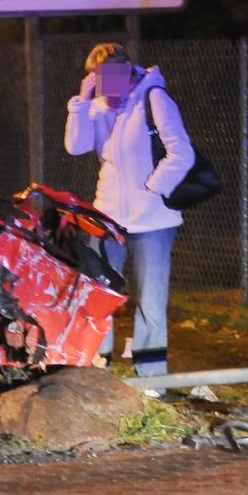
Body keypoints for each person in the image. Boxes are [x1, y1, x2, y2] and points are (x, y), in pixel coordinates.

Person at [65, 42, 194, 377]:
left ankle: (151, 377)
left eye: (114, 78)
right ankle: (97, 368)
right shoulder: (95, 107)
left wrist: (152, 188)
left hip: (153, 221)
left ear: (129, 72)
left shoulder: (154, 99)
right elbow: (76, 147)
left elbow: (182, 153)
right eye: (99, 80)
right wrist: (81, 102)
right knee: (99, 294)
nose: (110, 89)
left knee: (151, 303)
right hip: (108, 218)